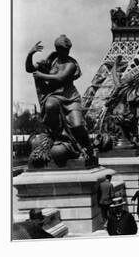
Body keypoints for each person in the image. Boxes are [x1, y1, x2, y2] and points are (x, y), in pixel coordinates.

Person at [25, 36, 95, 166]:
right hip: (54, 96)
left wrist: (41, 75)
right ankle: (59, 138)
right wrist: (30, 54)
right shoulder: (50, 61)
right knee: (50, 106)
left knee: (77, 125)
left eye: (67, 50)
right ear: (57, 49)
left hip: (70, 98)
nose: (66, 52)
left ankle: (88, 148)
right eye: (63, 49)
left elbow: (60, 78)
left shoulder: (71, 65)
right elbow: (29, 69)